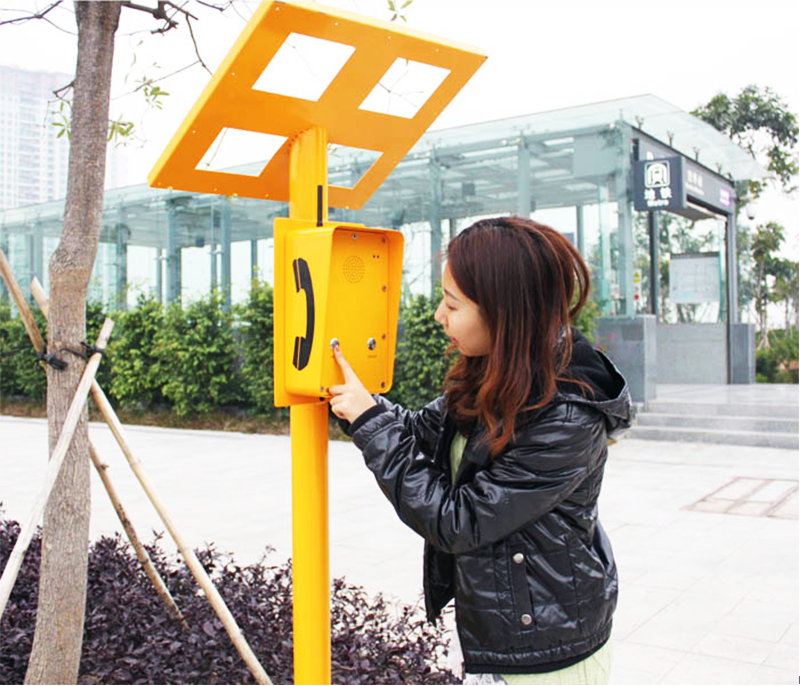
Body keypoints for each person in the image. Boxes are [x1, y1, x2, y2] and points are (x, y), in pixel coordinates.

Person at [328, 216, 631, 685]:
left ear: (504, 312)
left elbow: (458, 521)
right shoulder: (500, 373)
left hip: (547, 656)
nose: (439, 316)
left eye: (452, 304)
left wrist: (370, 423)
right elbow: (419, 431)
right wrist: (359, 406)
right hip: (504, 636)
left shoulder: (568, 417)